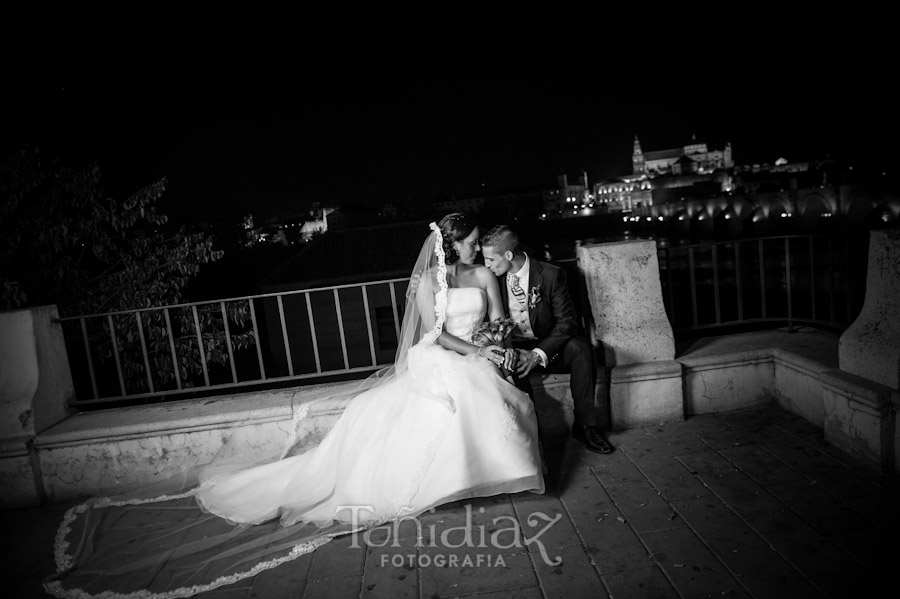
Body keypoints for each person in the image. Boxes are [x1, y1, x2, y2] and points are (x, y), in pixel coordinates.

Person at [43, 214, 544, 599]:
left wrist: (493, 342)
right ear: (450, 243)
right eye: (473, 241)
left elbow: (497, 320)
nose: (478, 248)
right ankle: (447, 478)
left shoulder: (483, 276)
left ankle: (481, 473)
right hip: (441, 354)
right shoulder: (426, 286)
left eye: (478, 242)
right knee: (452, 389)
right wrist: (476, 350)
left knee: (488, 391)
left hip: (477, 350)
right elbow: (431, 336)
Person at [480, 225, 614, 455]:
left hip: (547, 346)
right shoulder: (491, 279)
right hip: (512, 347)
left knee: (581, 349)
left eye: (490, 259)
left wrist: (537, 354)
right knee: (510, 366)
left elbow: (567, 323)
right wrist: (419, 283)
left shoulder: (551, 274)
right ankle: (532, 437)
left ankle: (586, 426)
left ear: (508, 255)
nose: (486, 265)